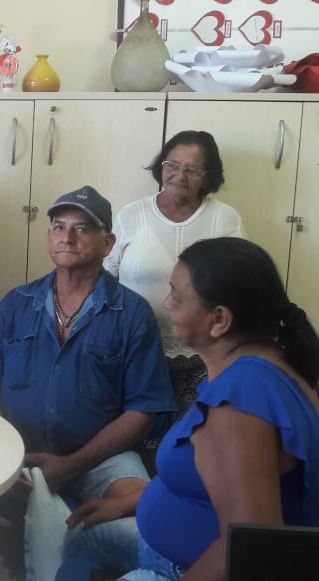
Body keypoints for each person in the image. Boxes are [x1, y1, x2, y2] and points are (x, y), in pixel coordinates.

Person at [62, 237, 319, 581]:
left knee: (70, 546)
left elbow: (250, 549)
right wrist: (129, 502)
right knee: (74, 540)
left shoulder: (237, 407)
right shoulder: (271, 365)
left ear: (219, 319)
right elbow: (211, 481)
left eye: (176, 294)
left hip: (182, 571)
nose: (165, 302)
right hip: (169, 549)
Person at [0, 185, 174, 577]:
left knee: (144, 519)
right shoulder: (17, 303)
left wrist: (71, 465)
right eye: (58, 227)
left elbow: (143, 410)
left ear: (107, 243)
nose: (66, 237)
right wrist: (8, 452)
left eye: (81, 229)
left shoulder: (132, 313)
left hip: (99, 460)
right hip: (19, 454)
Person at [104, 130, 243, 449]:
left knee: (186, 449)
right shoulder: (131, 215)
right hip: (133, 356)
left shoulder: (224, 219)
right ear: (161, 166)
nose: (179, 175)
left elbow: (239, 289)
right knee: (131, 446)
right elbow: (105, 284)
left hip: (202, 360)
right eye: (172, 164)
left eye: (192, 169)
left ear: (208, 177)